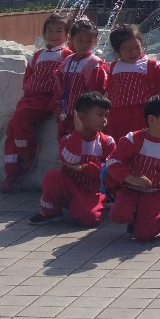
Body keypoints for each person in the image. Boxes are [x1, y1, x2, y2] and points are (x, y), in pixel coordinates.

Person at [103, 95, 160, 243]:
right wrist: (131, 178)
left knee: (144, 235)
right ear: (152, 119)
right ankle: (139, 218)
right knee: (118, 215)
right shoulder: (133, 139)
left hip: (155, 193)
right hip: (130, 189)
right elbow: (112, 161)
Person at [0, 13, 70, 192]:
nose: (54, 35)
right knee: (13, 127)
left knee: (21, 117)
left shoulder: (66, 55)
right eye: (50, 31)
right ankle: (11, 171)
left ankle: (27, 152)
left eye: (59, 31)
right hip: (30, 98)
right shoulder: (38, 55)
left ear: (67, 34)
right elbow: (29, 75)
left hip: (47, 98)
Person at [30, 91, 116, 227]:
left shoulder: (107, 142)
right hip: (69, 187)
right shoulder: (68, 139)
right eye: (99, 115)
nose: (104, 120)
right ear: (81, 117)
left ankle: (86, 205)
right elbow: (71, 160)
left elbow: (110, 169)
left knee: (90, 219)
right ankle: (51, 212)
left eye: (106, 115)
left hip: (91, 191)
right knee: (52, 177)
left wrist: (84, 168)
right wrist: (78, 133)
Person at [104, 24, 160, 141]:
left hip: (140, 115)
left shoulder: (151, 66)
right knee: (117, 142)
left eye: (137, 48)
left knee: (139, 143)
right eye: (128, 50)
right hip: (116, 116)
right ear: (117, 51)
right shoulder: (114, 66)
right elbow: (110, 89)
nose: (133, 53)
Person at [55, 17, 109, 141]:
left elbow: (97, 91)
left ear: (95, 41)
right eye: (80, 40)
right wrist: (56, 106)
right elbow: (59, 86)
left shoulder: (94, 63)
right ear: (71, 39)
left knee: (81, 141)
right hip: (65, 112)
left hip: (83, 115)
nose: (84, 45)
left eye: (89, 41)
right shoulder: (67, 61)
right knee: (63, 140)